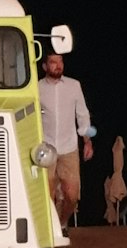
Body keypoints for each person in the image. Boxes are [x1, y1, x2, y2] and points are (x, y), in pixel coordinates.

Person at [38, 51, 94, 227]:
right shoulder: (37, 88)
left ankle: (62, 222)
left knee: (72, 194)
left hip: (68, 147)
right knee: (47, 193)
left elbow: (83, 115)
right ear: (45, 67)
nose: (58, 65)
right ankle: (52, 227)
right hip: (45, 147)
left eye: (60, 61)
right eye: (53, 62)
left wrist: (87, 141)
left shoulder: (74, 85)